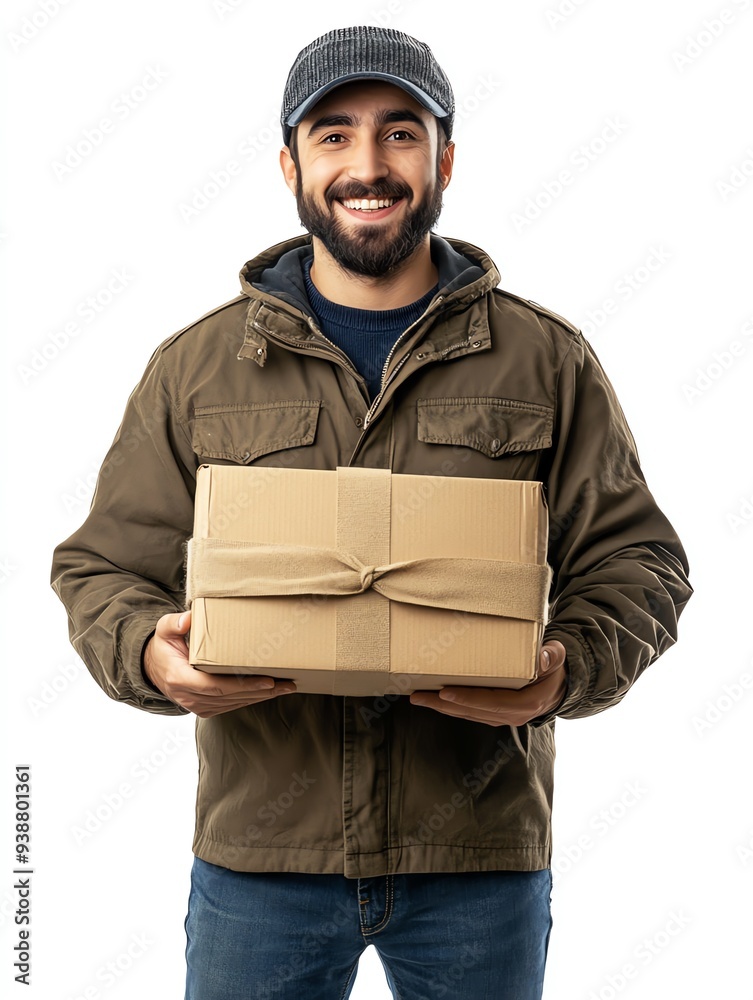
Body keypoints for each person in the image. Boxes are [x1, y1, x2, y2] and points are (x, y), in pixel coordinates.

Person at [51, 25, 692, 1000]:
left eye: (400, 133)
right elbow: (101, 566)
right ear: (288, 162)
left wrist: (565, 668)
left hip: (477, 856)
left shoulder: (545, 360)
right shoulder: (196, 368)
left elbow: (639, 560)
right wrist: (151, 651)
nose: (367, 164)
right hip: (263, 855)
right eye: (333, 133)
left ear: (443, 159)